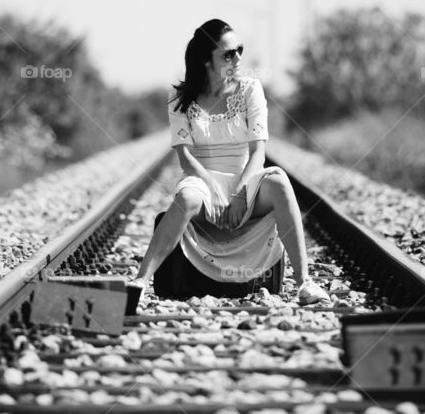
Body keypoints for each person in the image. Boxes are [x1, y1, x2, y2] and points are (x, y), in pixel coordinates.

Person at [129, 18, 329, 305]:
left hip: (245, 181)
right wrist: (213, 191)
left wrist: (238, 195)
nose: (237, 58)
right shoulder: (179, 97)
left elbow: (258, 152)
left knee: (279, 181)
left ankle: (305, 283)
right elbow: (185, 157)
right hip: (203, 179)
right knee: (184, 198)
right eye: (228, 53)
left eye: (239, 50)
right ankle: (140, 281)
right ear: (206, 60)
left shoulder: (250, 89)